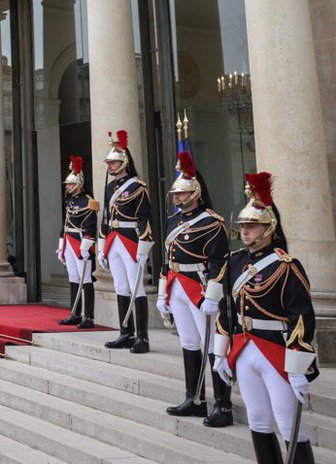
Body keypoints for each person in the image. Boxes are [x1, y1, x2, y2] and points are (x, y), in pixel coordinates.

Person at [214, 172, 319, 464]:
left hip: (276, 349)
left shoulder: (286, 266)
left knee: (288, 424)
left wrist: (298, 364)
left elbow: (301, 316)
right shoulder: (234, 262)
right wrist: (220, 353)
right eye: (244, 226)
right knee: (258, 420)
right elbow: (226, 310)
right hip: (244, 348)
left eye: (252, 226)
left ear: (270, 228)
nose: (245, 231)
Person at [157, 151, 232, 426]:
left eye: (182, 193)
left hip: (200, 289)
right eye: (175, 194)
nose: (176, 198)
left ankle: (223, 405)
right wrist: (163, 292)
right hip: (177, 285)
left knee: (212, 345)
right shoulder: (171, 221)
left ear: (196, 193)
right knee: (188, 342)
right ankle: (195, 398)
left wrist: (213, 294)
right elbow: (167, 259)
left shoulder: (213, 222)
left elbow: (219, 261)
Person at [99, 130, 153, 353]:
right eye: (109, 162)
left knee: (136, 286)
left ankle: (142, 337)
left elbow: (145, 218)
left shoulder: (137, 186)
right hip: (113, 239)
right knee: (120, 286)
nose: (110, 166)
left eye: (114, 162)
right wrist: (101, 247)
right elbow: (104, 215)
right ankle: (125, 332)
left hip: (131, 239)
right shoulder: (110, 187)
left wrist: (143, 246)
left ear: (124, 162)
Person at [58, 155, 98, 328]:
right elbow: (65, 222)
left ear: (79, 184)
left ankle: (88, 316)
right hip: (69, 240)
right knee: (74, 278)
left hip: (82, 242)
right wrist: (61, 244)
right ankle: (74, 312)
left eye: (71, 184)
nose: (67, 187)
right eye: (67, 184)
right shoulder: (70, 201)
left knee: (86, 279)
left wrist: (87, 244)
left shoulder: (89, 201)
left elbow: (91, 225)